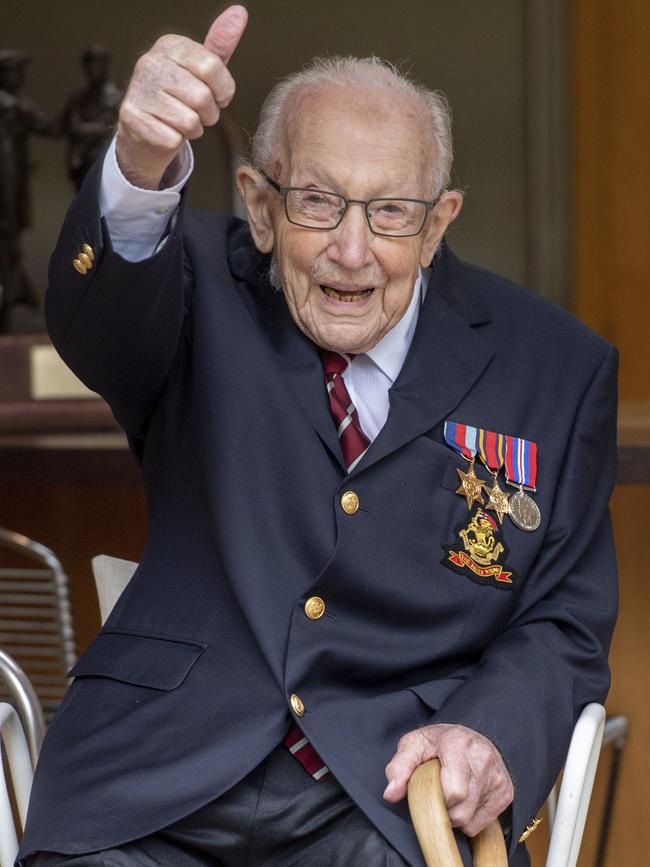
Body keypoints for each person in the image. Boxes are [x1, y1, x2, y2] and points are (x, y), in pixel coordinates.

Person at [19, 6, 618, 866]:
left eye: (391, 213)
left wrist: (487, 733)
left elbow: (563, 617)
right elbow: (100, 318)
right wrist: (143, 160)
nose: (351, 249)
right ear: (260, 208)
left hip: (386, 795)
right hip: (150, 783)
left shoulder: (556, 368)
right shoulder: (192, 291)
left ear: (440, 222)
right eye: (318, 202)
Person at [0, 50, 49, 330]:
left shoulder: (19, 108)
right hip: (6, 206)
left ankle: (11, 302)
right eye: (14, 72)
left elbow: (49, 127)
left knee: (11, 252)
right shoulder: (13, 108)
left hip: (12, 204)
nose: (20, 78)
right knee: (8, 253)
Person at [57, 45, 123, 192]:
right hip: (82, 164)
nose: (93, 67)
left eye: (98, 62)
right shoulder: (77, 99)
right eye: (89, 63)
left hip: (107, 163)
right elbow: (62, 126)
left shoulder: (117, 98)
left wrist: (83, 130)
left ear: (106, 65)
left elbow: (117, 129)